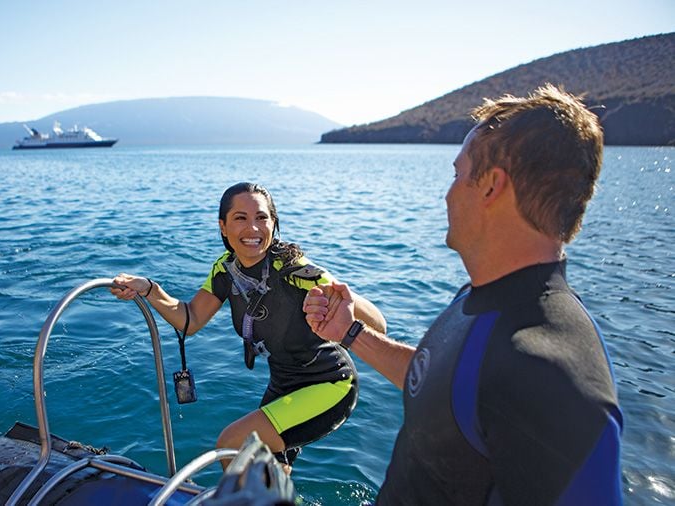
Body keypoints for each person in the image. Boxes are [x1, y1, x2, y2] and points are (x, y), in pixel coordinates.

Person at [303, 85, 623, 504]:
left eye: (458, 174)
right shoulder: (481, 300)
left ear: (491, 186)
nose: (447, 193)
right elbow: (440, 385)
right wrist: (350, 333)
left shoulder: (551, 371)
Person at [111, 182, 386, 471]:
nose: (253, 229)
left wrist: (340, 293)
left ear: (273, 224)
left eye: (262, 218)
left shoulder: (294, 270)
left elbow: (379, 325)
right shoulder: (225, 270)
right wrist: (150, 289)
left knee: (233, 443)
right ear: (223, 226)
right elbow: (189, 319)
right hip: (283, 386)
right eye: (240, 218)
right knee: (270, 472)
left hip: (330, 384)